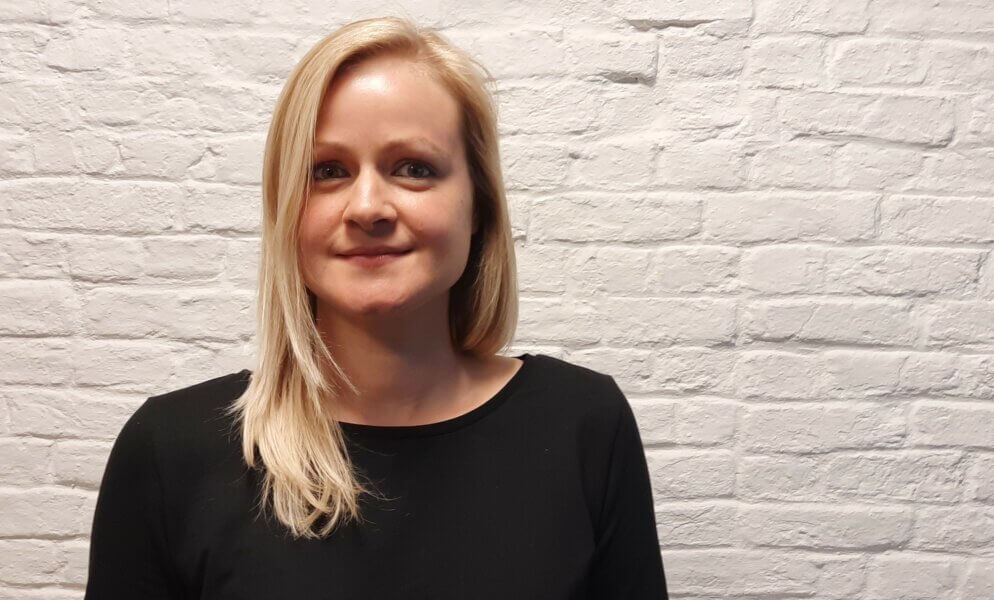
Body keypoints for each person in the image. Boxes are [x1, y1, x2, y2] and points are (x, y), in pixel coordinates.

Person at [84, 15, 669, 599]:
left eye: (414, 169)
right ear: (286, 211)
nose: (367, 207)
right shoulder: (171, 452)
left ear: (479, 207)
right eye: (327, 171)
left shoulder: (583, 425)